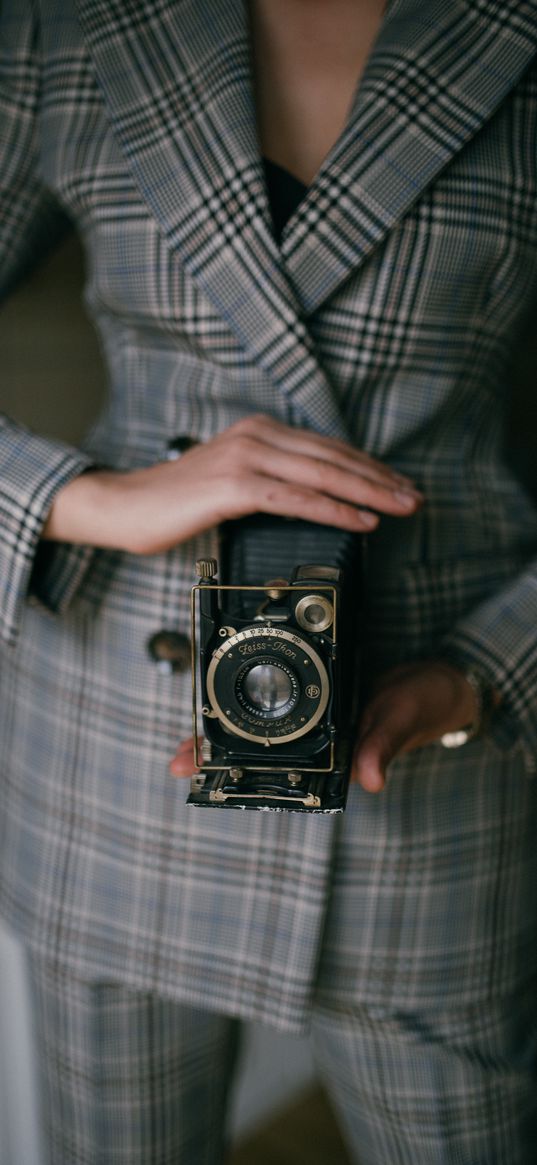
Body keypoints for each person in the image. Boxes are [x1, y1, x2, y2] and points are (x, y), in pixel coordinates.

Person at [1, 0, 536, 1161]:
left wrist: (495, 666)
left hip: (435, 745)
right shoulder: (67, 22)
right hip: (118, 748)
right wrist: (91, 502)